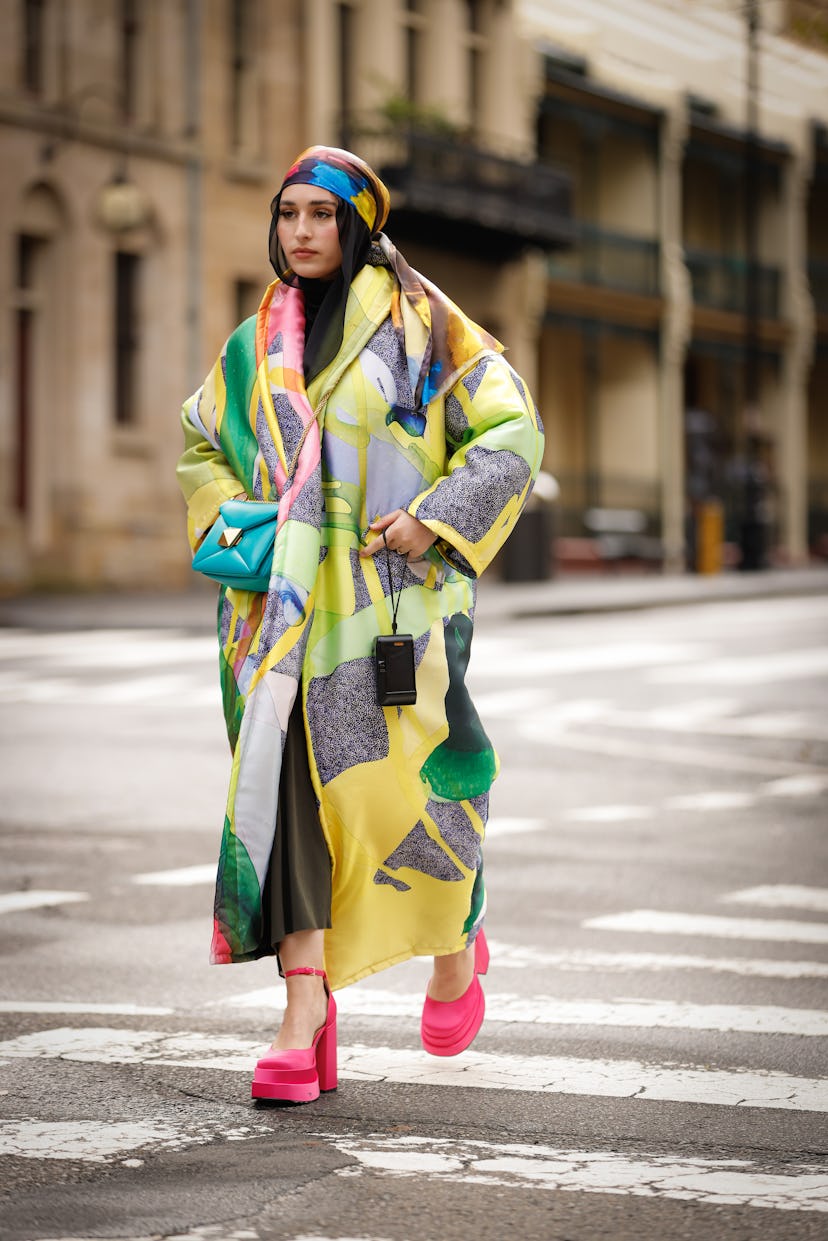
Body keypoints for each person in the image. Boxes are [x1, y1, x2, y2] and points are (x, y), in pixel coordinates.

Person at [177, 145, 544, 1104]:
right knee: (287, 787)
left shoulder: (428, 326)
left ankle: (456, 941)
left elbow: (512, 432)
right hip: (278, 620)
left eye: (322, 215)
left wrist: (436, 517)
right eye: (289, 213)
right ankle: (304, 1008)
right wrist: (238, 520)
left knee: (408, 797)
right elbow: (201, 443)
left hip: (394, 609)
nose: (302, 232)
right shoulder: (252, 346)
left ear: (359, 224)